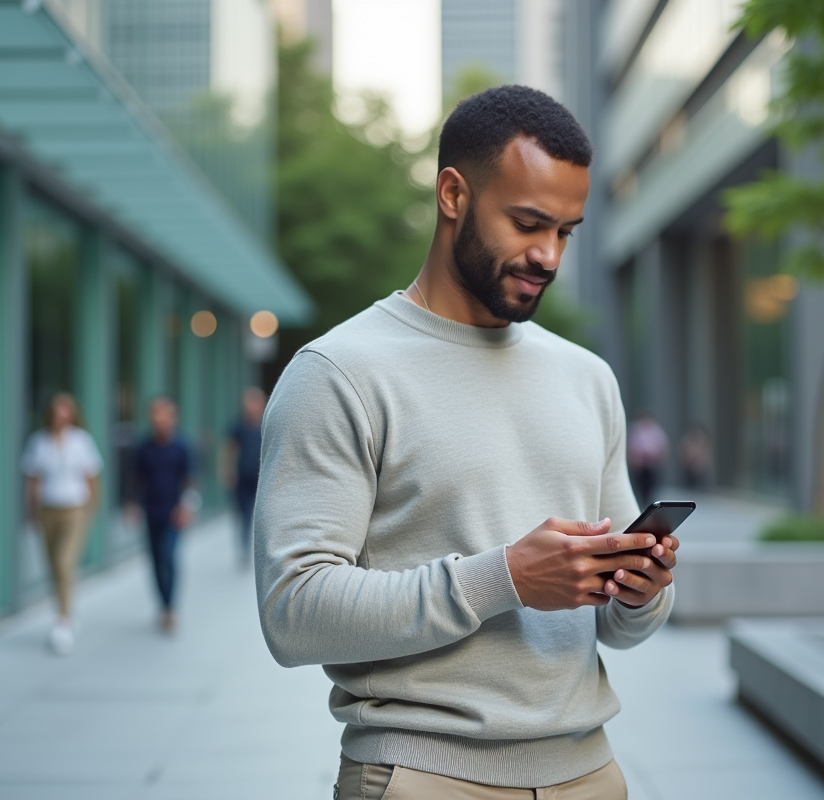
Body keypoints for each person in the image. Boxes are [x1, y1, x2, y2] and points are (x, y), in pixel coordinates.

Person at [256, 85, 677, 799]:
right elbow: (293, 612)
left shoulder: (587, 377)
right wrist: (506, 578)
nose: (547, 255)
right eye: (527, 223)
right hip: (423, 775)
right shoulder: (339, 372)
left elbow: (617, 627)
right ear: (453, 193)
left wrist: (639, 592)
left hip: (590, 774)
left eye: (565, 232)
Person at [21, 393, 103, 655]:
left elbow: (91, 477)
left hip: (74, 509)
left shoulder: (81, 441)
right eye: (56, 413)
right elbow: (33, 480)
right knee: (53, 567)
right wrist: (31, 512)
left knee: (64, 562)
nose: (60, 418)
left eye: (65, 412)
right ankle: (64, 610)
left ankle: (63, 621)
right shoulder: (39, 442)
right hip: (48, 510)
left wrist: (91, 509)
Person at [134, 397, 194, 633]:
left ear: (173, 417)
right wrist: (131, 504)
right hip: (151, 511)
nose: (159, 419)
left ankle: (170, 607)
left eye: (164, 414)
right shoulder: (144, 447)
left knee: (168, 556)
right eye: (155, 414)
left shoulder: (181, 447)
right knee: (155, 560)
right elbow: (136, 478)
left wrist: (187, 507)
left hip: (173, 513)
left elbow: (190, 480)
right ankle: (162, 604)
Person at [223, 387, 265, 567]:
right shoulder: (238, 426)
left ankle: (261, 551)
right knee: (243, 514)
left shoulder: (266, 424)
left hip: (262, 477)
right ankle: (244, 548)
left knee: (262, 515)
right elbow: (229, 449)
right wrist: (227, 469)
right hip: (242, 476)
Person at [627, 412, 670, 506]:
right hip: (640, 467)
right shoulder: (637, 430)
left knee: (651, 488)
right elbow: (632, 448)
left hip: (652, 466)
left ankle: (649, 502)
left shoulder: (656, 431)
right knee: (641, 488)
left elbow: (662, 448)